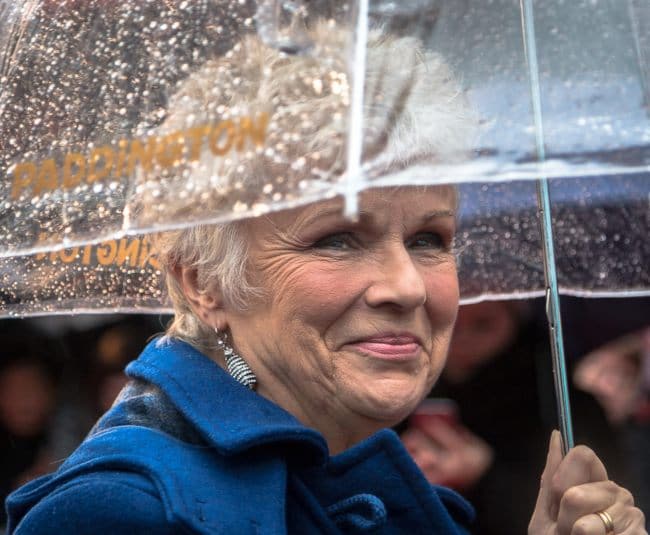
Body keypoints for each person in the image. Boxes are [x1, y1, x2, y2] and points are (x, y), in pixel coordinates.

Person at [5, 23, 646, 534]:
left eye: (428, 238)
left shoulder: (365, 483)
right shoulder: (121, 513)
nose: (407, 286)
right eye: (336, 239)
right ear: (203, 279)